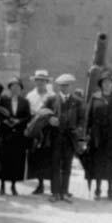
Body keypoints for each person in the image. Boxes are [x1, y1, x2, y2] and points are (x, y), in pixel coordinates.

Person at [85, 68, 112, 200]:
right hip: (97, 136)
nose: (107, 84)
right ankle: (97, 189)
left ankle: (110, 189)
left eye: (110, 82)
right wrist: (86, 134)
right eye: (104, 82)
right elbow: (89, 117)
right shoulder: (95, 97)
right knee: (97, 162)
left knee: (110, 162)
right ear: (101, 84)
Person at [44, 74, 85, 203]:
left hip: (70, 138)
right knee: (55, 165)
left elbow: (82, 119)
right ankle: (55, 192)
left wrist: (78, 129)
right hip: (55, 137)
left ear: (71, 86)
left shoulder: (77, 101)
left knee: (67, 166)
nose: (64, 88)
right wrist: (49, 119)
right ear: (58, 86)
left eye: (67, 85)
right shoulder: (51, 100)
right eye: (62, 85)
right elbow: (42, 114)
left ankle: (65, 192)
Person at [0, 78, 31, 196]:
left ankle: (13, 185)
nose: (15, 89)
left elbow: (28, 117)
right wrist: (6, 121)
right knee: (4, 159)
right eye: (13, 86)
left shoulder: (25, 102)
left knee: (16, 161)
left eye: (18, 87)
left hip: (18, 136)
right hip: (6, 134)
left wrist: (18, 121)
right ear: (10, 88)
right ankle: (2, 185)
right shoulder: (4, 100)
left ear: (21, 89)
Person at [26, 69, 54, 195]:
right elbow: (28, 112)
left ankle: (53, 184)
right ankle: (40, 183)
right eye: (38, 80)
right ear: (35, 82)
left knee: (48, 156)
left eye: (43, 81)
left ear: (46, 82)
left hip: (48, 128)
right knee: (37, 156)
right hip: (35, 128)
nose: (41, 83)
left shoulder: (52, 95)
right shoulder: (30, 95)